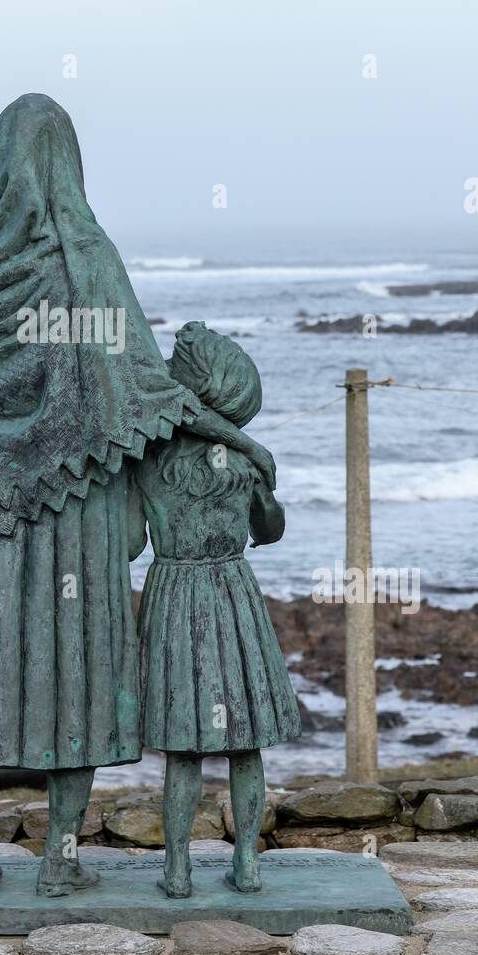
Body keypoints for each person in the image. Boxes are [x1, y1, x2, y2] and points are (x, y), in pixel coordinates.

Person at [0, 95, 277, 897]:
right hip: (74, 515)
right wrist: (240, 438)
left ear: (3, 162)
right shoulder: (85, 255)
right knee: (73, 682)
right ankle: (60, 859)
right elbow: (148, 388)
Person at [128, 321, 302, 896]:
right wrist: (265, 488)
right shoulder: (245, 462)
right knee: (243, 740)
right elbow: (270, 530)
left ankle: (176, 870)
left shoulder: (148, 456)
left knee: (183, 745)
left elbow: (130, 542)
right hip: (232, 594)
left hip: (174, 595)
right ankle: (247, 861)